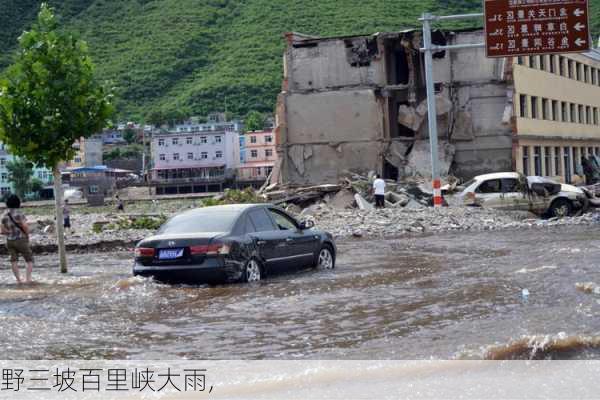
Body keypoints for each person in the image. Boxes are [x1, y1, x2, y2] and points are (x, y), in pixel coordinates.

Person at [1, 194, 34, 284]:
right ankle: (28, 279)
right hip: (21, 239)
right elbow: (24, 226)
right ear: (18, 203)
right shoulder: (19, 213)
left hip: (10, 241)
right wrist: (27, 234)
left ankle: (18, 280)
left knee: (13, 260)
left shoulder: (4, 214)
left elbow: (2, 231)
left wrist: (9, 232)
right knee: (29, 259)